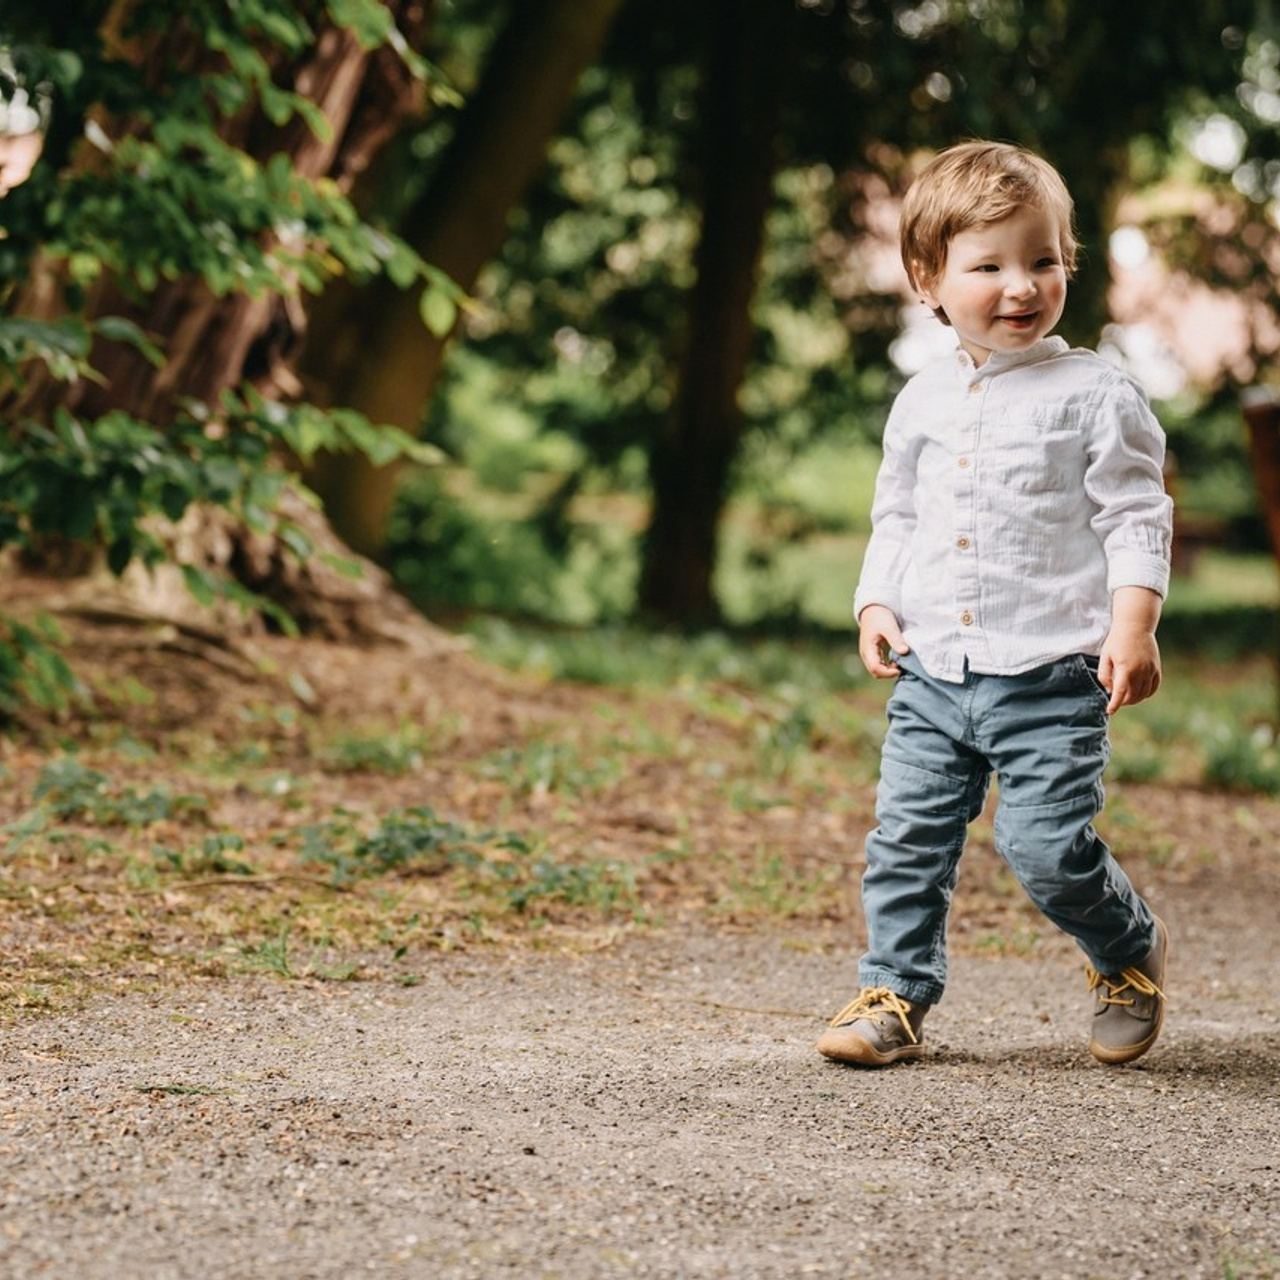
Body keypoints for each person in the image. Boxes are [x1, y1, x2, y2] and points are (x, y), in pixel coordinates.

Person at [817, 140, 1173, 1069]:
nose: (1021, 286)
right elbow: (899, 514)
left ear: (1068, 264)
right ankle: (894, 991)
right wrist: (876, 602)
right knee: (907, 841)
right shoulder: (921, 401)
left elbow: (1137, 514)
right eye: (989, 267)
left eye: (1042, 260)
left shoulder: (1096, 394)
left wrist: (1133, 624)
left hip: (1052, 675)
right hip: (934, 672)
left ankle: (1125, 948)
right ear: (928, 280)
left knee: (1045, 845)